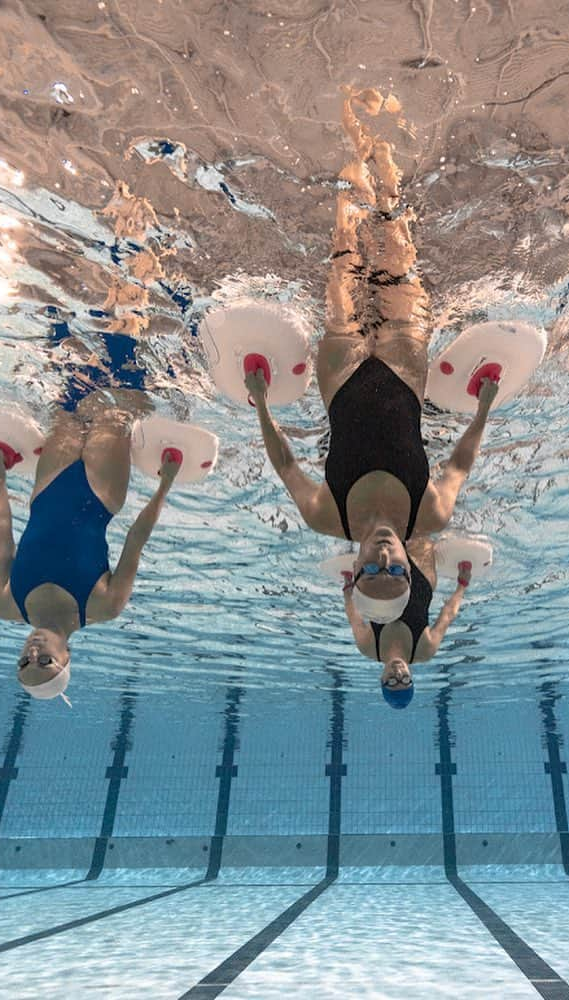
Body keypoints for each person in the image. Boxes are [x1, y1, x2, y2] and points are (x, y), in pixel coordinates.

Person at [245, 87, 498, 625]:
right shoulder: (429, 514)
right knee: (394, 248)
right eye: (397, 571)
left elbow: (287, 464)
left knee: (345, 256)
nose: (384, 557)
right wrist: (481, 409)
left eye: (372, 571)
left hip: (341, 379)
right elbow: (460, 462)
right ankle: (382, 153)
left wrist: (262, 404)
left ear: (354, 570)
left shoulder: (325, 517)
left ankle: (349, 141)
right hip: (406, 372)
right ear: (410, 566)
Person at [0, 395, 181, 704]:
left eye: (23, 662)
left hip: (48, 485)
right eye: (45, 662)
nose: (33, 652)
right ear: (66, 657)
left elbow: (1, 538)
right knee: (116, 400)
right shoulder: (103, 606)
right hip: (100, 491)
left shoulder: (7, 604)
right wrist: (165, 485)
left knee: (68, 397)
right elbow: (135, 541)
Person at [340, 538, 473, 708]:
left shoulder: (369, 647)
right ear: (411, 678)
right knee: (418, 527)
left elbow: (354, 617)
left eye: (392, 680)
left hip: (383, 577)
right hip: (421, 576)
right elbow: (447, 616)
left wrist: (348, 590)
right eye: (405, 679)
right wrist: (462, 584)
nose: (398, 672)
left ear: (382, 679)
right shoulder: (425, 649)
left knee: (379, 528)